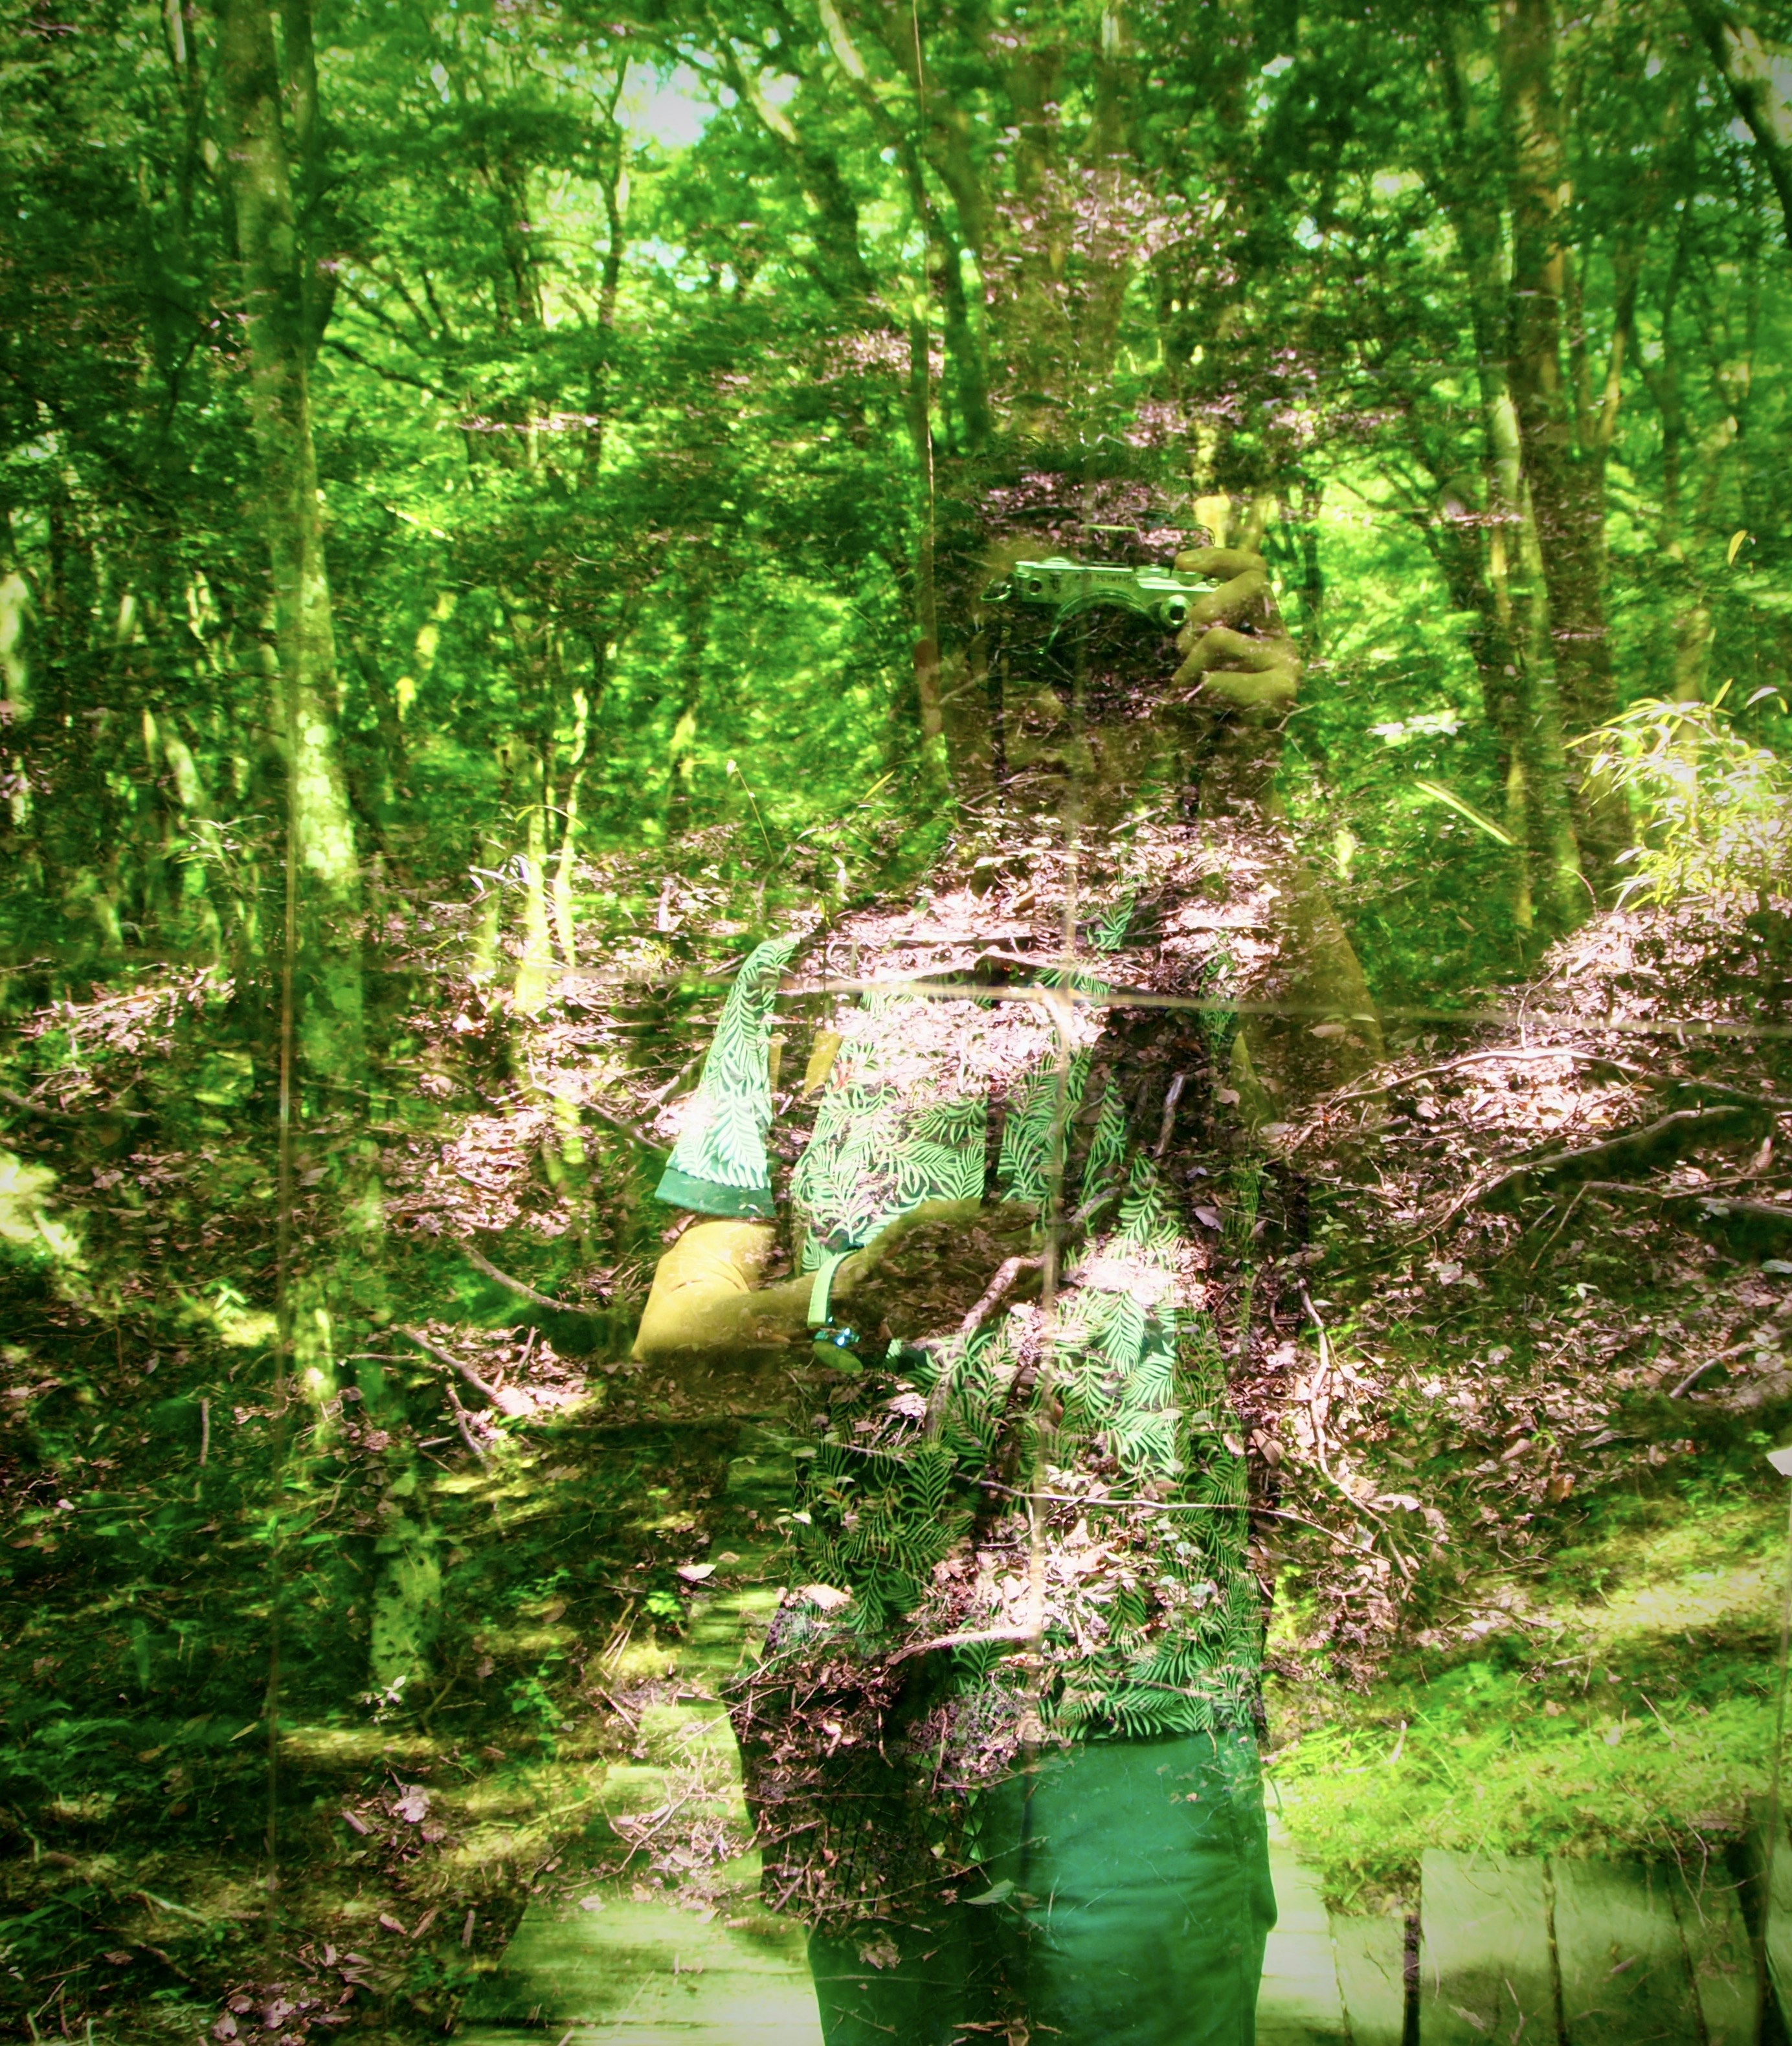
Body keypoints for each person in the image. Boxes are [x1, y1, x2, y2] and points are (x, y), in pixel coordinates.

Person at [630, 493, 1378, 2045]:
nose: (1055, 703)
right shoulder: (808, 972)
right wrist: (844, 1301)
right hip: (866, 1683)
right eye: (1016, 653)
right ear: (934, 683)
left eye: (1110, 659)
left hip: (1139, 1693)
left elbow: (1351, 1134)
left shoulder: (1214, 932)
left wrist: (1245, 796)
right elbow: (678, 1331)